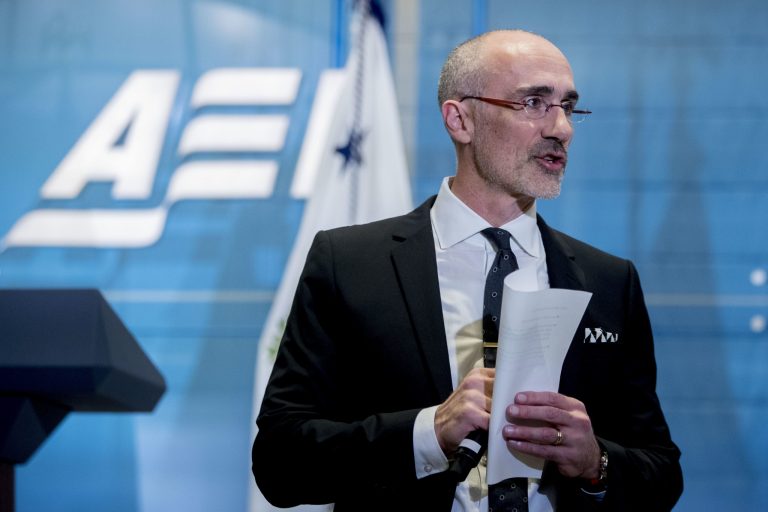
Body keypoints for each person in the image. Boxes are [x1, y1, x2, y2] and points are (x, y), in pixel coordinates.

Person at [252, 30, 682, 511]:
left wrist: (595, 461)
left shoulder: (608, 281)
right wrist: (428, 434)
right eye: (535, 102)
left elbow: (662, 474)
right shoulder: (349, 264)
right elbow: (279, 462)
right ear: (460, 120)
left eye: (568, 106)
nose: (562, 128)